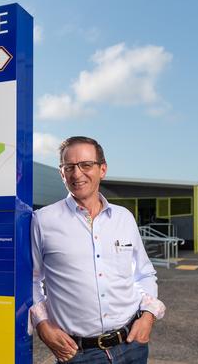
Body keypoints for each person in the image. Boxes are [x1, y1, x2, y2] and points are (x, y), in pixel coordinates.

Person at [30, 136, 165, 364]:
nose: (77, 174)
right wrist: (42, 325)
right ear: (61, 173)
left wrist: (148, 316)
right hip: (78, 354)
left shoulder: (124, 218)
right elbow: (31, 280)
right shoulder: (42, 220)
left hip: (132, 345)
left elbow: (144, 273)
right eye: (69, 167)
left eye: (86, 165)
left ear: (102, 169)